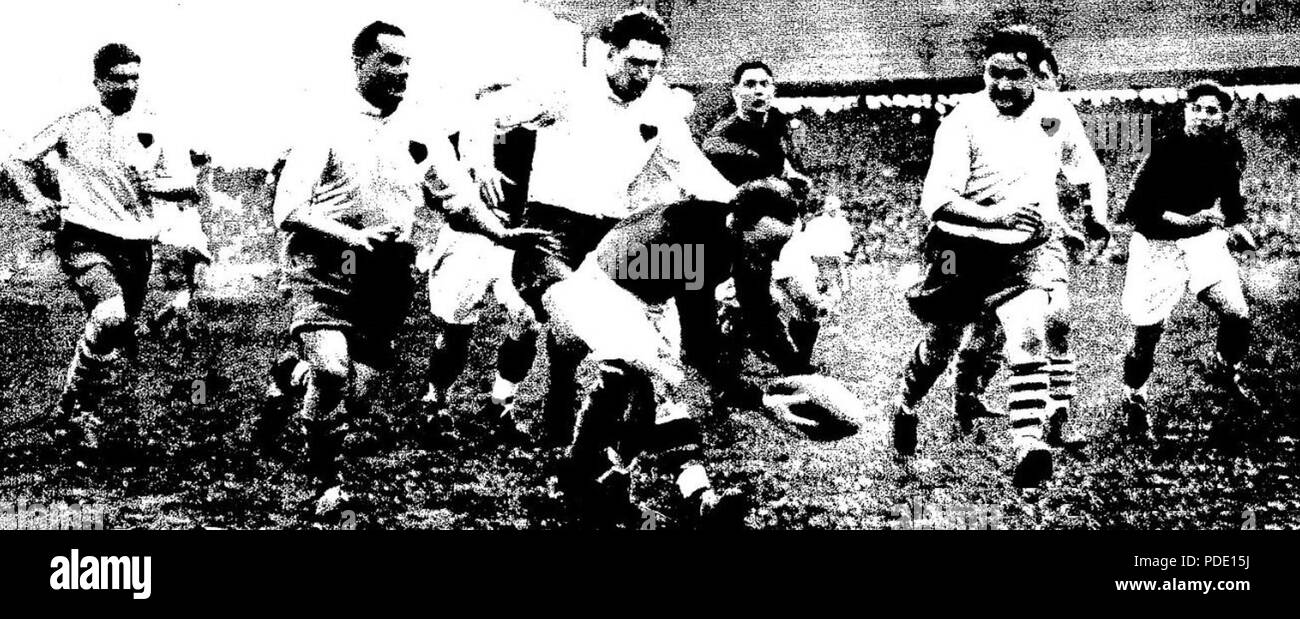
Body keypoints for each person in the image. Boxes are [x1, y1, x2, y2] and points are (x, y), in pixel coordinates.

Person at [268, 22, 550, 511]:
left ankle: (292, 377)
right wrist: (352, 235)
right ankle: (326, 481)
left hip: (386, 272)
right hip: (328, 263)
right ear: (360, 64)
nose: (402, 73)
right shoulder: (326, 124)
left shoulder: (421, 130)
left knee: (356, 394)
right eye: (390, 62)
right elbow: (288, 211)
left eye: (406, 63)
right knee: (334, 374)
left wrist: (499, 233)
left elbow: (457, 200)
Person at [467, 9, 736, 444]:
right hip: (550, 227)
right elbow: (485, 112)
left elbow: (692, 167)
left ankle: (581, 428)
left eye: (653, 64)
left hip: (612, 230)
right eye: (635, 62)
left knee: (601, 330)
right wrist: (480, 165)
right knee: (561, 316)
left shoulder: (659, 106)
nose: (644, 73)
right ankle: (527, 400)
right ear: (610, 54)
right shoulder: (566, 88)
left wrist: (742, 206)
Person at [890, 26, 1105, 487]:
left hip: (1028, 247)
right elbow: (938, 202)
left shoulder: (1054, 113)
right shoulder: (963, 120)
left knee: (1030, 334)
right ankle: (906, 407)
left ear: (1036, 74)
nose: (1003, 85)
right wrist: (1000, 215)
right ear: (983, 70)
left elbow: (1084, 168)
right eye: (994, 73)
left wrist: (1094, 215)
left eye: (1017, 75)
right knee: (942, 341)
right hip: (956, 246)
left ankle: (1029, 446)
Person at [545, 178, 798, 526]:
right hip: (604, 292)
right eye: (768, 245)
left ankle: (597, 481)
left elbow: (759, 310)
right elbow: (700, 348)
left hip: (649, 296)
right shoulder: (693, 241)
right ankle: (684, 496)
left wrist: (800, 370)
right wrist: (756, 397)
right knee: (650, 385)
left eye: (781, 245)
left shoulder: (744, 238)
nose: (774, 256)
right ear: (737, 223)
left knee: (637, 390)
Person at [4, 44, 198, 451]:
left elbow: (186, 184)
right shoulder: (74, 123)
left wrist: (157, 185)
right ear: (98, 83)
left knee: (117, 333)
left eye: (134, 78)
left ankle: (73, 411)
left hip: (137, 244)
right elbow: (16, 161)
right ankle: (76, 410)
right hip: (84, 236)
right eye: (120, 78)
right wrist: (36, 199)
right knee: (109, 316)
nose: (129, 86)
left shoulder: (155, 126)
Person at [1119, 80, 1259, 440]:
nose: (1202, 116)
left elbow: (1232, 200)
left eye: (1211, 110)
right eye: (1195, 109)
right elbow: (1137, 209)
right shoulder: (1164, 149)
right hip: (1158, 245)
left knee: (1237, 314)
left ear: (1223, 116)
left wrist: (1238, 227)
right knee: (1148, 333)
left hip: (1202, 244)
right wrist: (1185, 220)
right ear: (1186, 111)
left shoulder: (1228, 149)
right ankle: (1134, 396)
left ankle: (1225, 369)